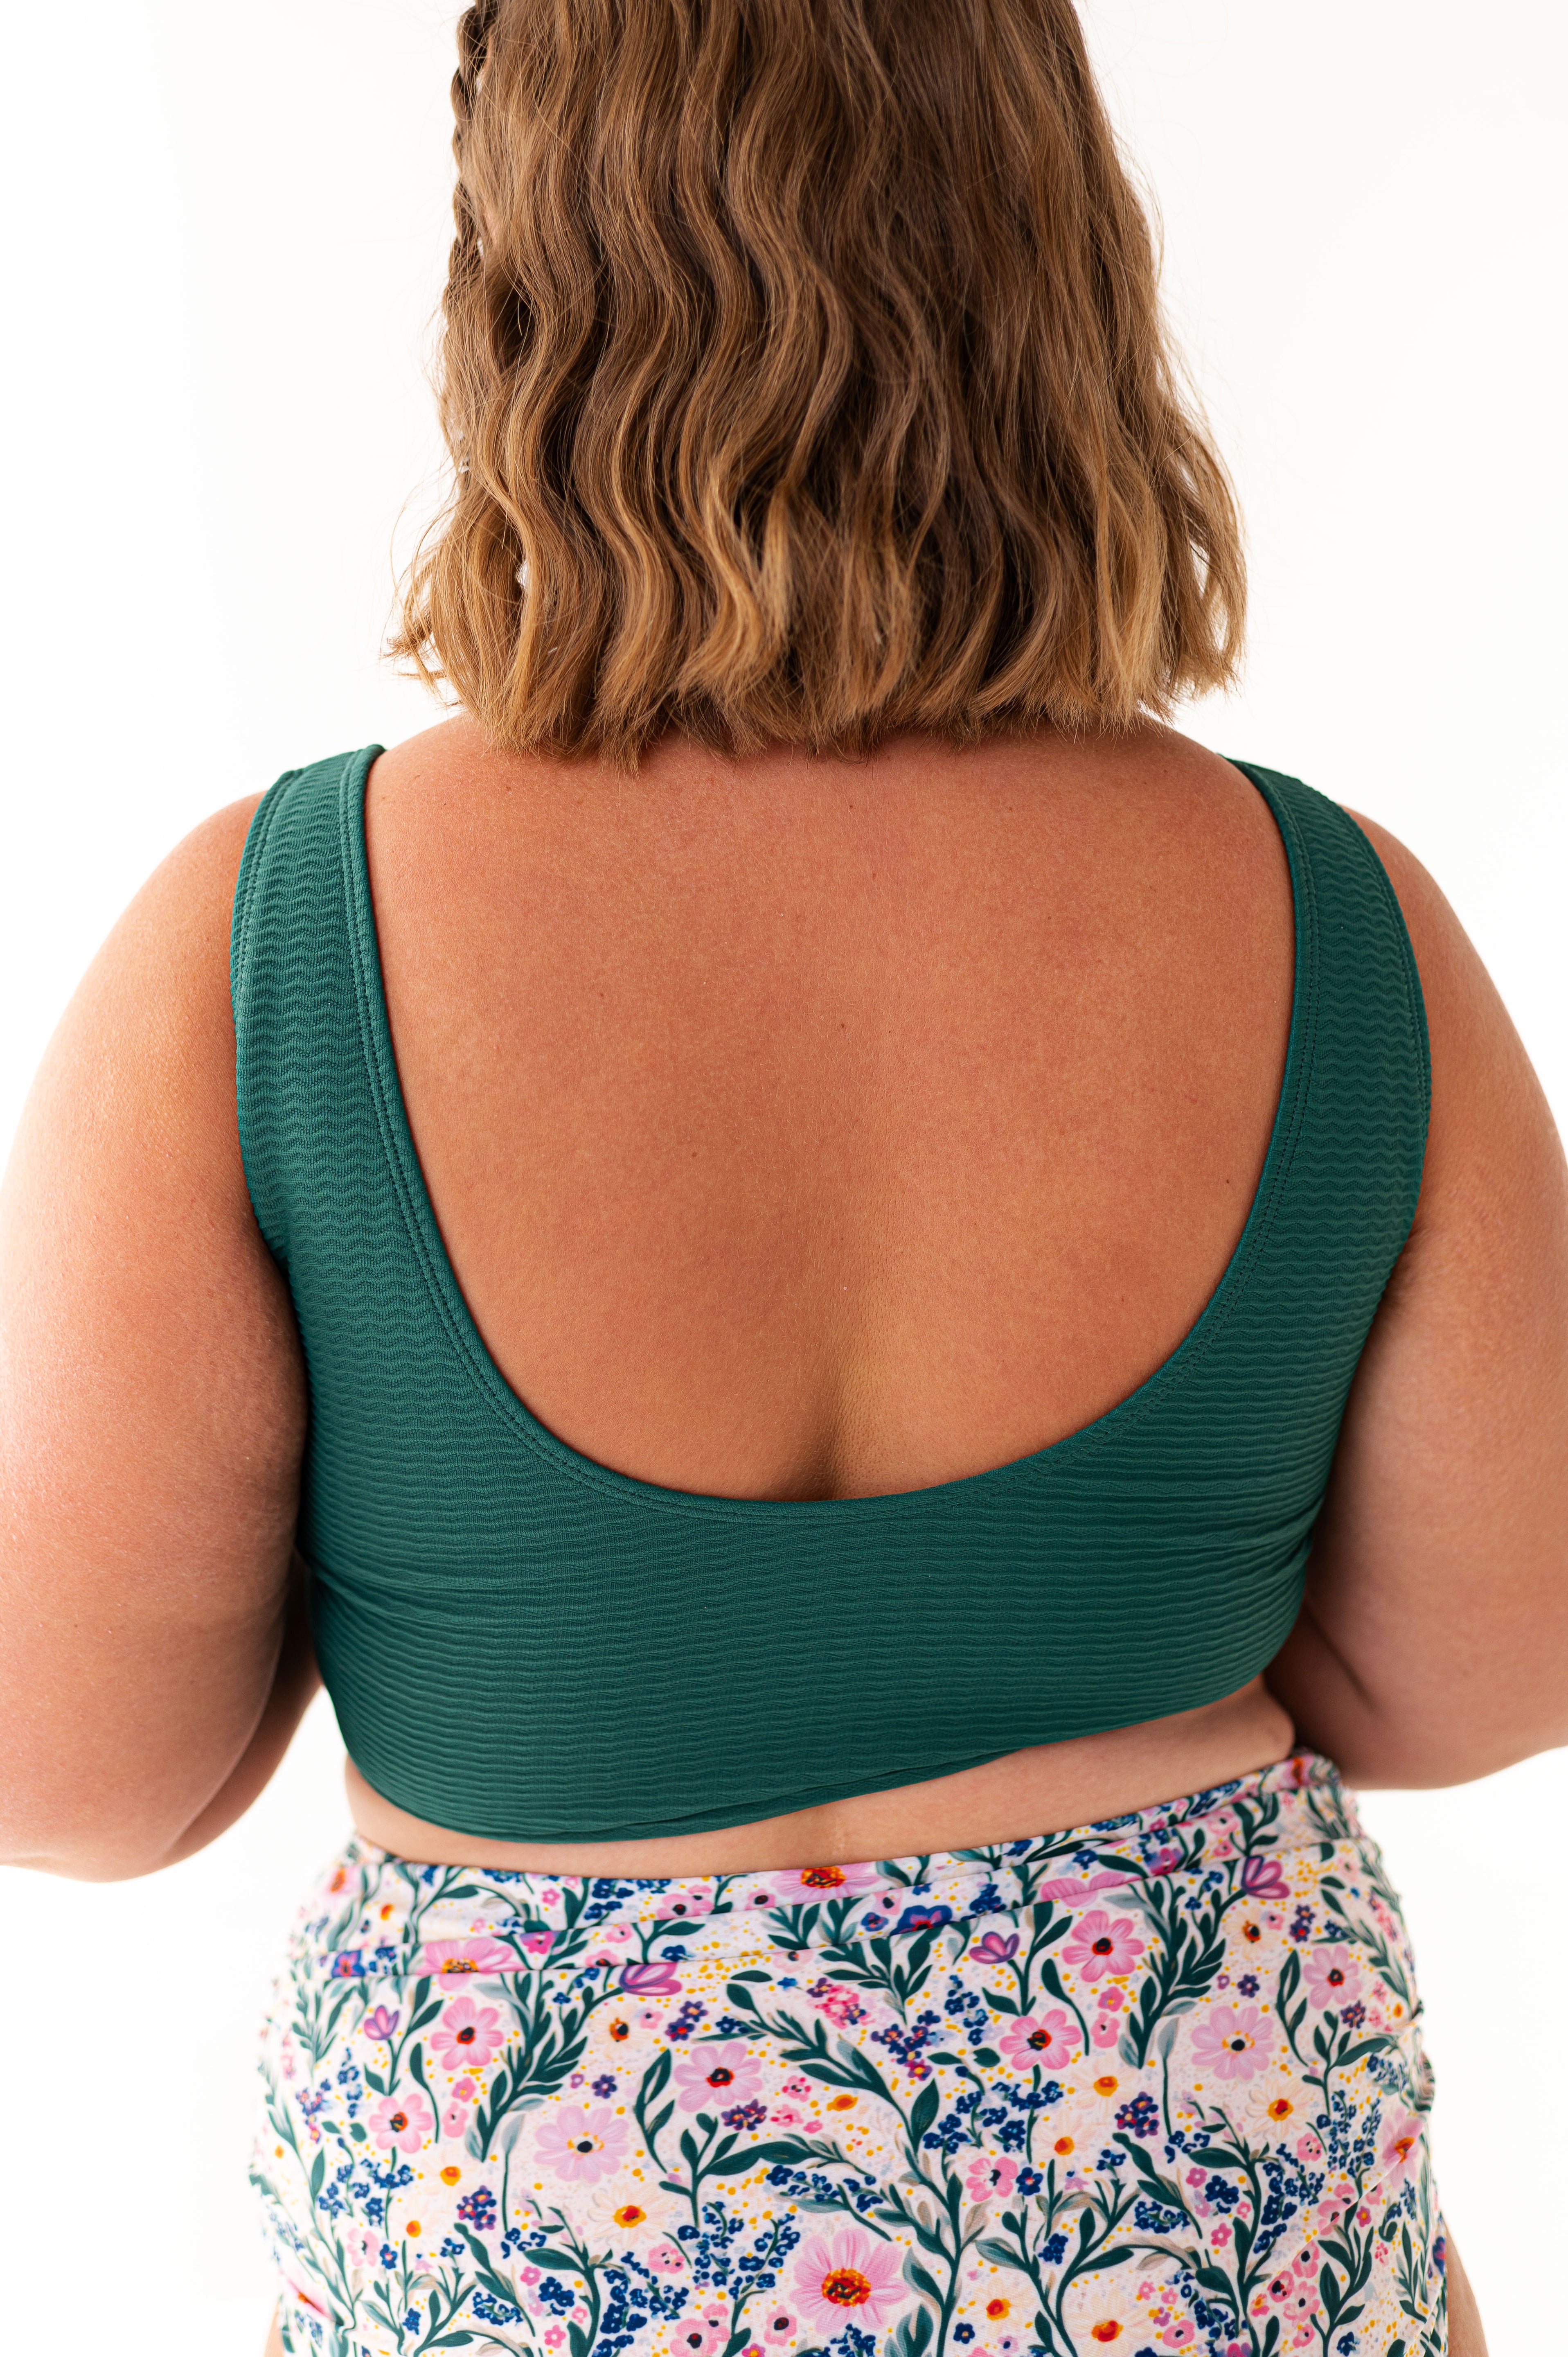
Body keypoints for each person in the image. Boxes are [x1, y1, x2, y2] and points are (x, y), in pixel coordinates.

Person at [0, 3, 1558, 2350]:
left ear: (518, 287)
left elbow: (77, 1773)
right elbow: (1491, 1666)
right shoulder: (1335, 918)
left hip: (550, 2248)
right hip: (1190, 2211)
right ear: (1058, 258)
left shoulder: (274, 938)